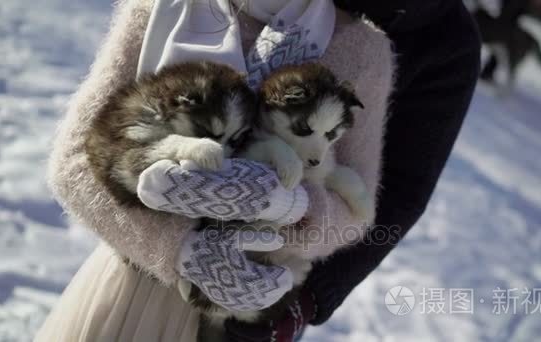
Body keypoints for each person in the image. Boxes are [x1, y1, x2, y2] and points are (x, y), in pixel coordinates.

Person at [36, 0, 480, 341]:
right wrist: (183, 252)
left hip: (255, 305)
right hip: (127, 290)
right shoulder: (164, 7)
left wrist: (289, 216)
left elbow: (372, 202)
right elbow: (75, 160)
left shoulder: (363, 47)